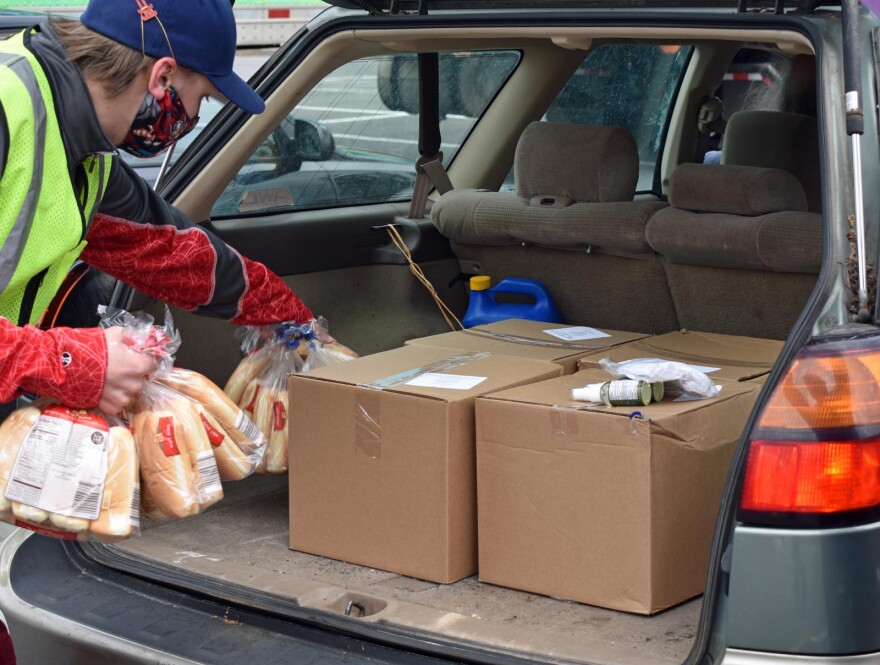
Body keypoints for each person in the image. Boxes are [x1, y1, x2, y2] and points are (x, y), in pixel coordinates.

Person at [0, 2, 336, 660]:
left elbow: (169, 250)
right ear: (160, 79)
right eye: (199, 94)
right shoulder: (10, 112)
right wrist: (77, 363)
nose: (194, 116)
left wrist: (284, 314)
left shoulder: (82, 151)